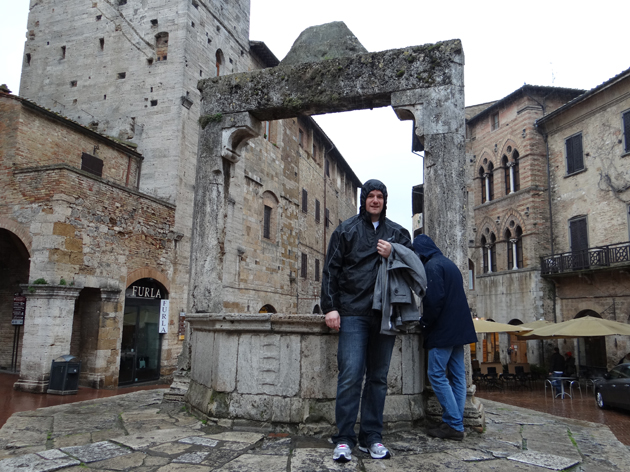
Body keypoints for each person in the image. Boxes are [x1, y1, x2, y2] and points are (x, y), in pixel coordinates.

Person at [321, 179, 413, 462]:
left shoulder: (398, 233)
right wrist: (330, 307)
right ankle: (344, 439)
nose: (375, 200)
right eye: (370, 196)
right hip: (352, 313)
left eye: (379, 196)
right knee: (350, 376)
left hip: (385, 314)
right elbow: (330, 270)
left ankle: (372, 437)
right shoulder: (346, 230)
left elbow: (413, 266)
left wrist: (393, 252)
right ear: (363, 199)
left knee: (378, 378)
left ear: (385, 201)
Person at [412, 234, 478, 441]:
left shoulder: (432, 266)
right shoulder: (449, 264)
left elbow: (434, 301)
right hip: (459, 329)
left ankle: (454, 424)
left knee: (436, 375)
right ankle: (455, 422)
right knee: (458, 377)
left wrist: (424, 322)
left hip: (444, 330)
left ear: (420, 252)